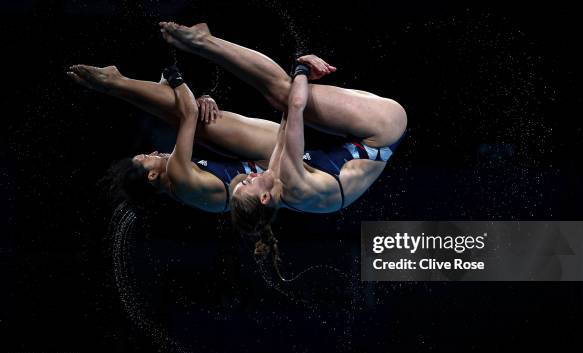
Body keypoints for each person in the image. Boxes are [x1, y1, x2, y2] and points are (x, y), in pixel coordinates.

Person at [157, 22, 407, 249]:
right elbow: (294, 106)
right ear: (265, 198)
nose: (246, 177)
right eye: (246, 184)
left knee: (280, 94)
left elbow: (287, 117)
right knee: (283, 91)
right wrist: (302, 68)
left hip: (368, 139)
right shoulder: (288, 180)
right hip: (385, 126)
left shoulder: (278, 183)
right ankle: (203, 41)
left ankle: (204, 42)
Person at [67, 64, 278, 212]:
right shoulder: (177, 174)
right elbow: (190, 113)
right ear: (151, 176)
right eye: (146, 157)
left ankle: (116, 85)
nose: (154, 152)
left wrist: (200, 99)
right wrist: (174, 76)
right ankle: (117, 83)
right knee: (197, 119)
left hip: (263, 166)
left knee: (194, 121)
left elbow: (190, 115)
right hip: (275, 157)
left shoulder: (178, 186)